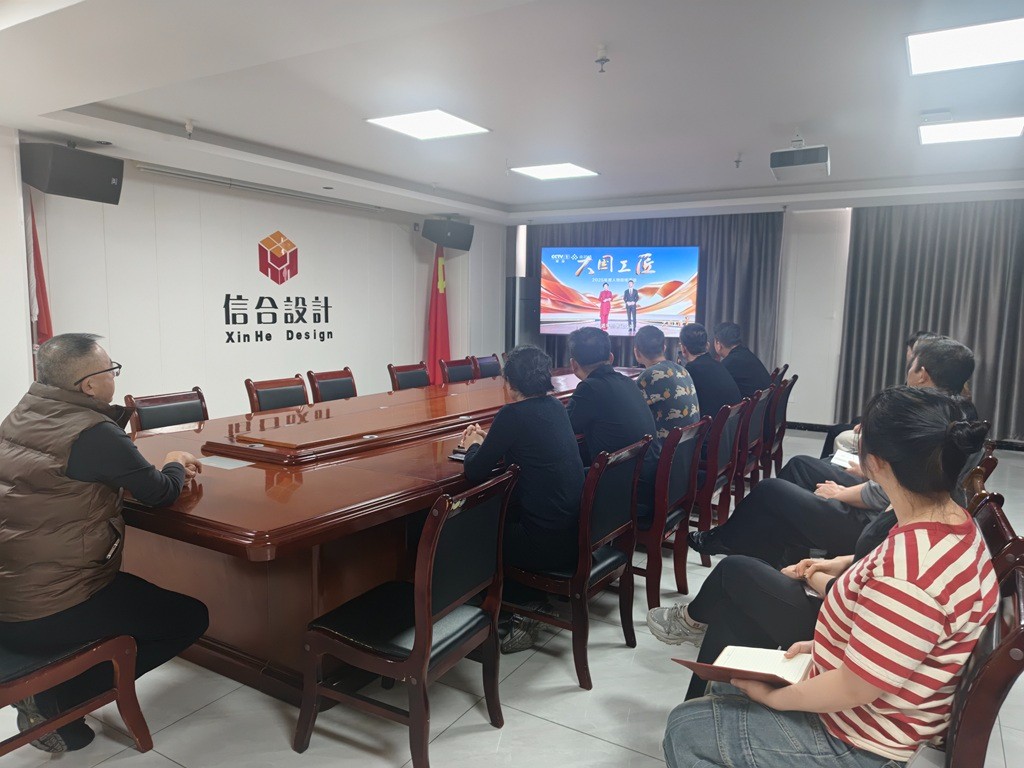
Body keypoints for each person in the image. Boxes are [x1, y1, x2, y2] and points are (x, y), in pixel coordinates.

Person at [662, 386, 997, 768]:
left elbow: (855, 688)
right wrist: (826, 648)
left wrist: (776, 699)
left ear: (875, 463)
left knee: (686, 729)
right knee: (727, 673)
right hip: (880, 706)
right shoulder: (951, 523)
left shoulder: (908, 574)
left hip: (862, 742)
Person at [0, 333, 209, 753]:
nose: (115, 376)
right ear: (90, 385)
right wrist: (173, 461)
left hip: (11, 593)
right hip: (54, 605)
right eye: (111, 370)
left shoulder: (23, 413)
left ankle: (53, 691)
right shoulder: (93, 432)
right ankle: (57, 699)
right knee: (189, 617)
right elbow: (160, 492)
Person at [460, 345, 585, 653]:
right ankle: (521, 600)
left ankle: (520, 607)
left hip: (544, 546)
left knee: (470, 532)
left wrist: (474, 443)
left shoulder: (512, 414)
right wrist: (492, 441)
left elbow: (475, 471)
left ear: (509, 383)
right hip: (575, 536)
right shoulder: (555, 406)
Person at [782, 336, 977, 490]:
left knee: (795, 468)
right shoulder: (962, 413)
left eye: (912, 365)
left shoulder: (922, 417)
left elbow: (896, 489)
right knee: (821, 462)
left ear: (922, 374)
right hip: (887, 493)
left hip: (879, 506)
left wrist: (849, 488)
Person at [565, 327, 660, 523]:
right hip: (645, 486)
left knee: (556, 477)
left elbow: (565, 429)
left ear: (573, 364)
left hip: (623, 495)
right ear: (611, 357)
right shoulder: (627, 382)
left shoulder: (589, 388)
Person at [822, 330, 940, 457]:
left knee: (838, 433)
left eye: (912, 350)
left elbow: (904, 418)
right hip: (897, 427)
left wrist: (871, 426)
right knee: (856, 421)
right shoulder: (931, 382)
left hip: (897, 435)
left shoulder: (921, 382)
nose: (909, 354)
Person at [633, 325, 700, 439]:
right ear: (664, 348)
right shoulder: (682, 370)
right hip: (689, 445)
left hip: (666, 448)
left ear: (637, 352)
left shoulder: (647, 377)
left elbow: (632, 415)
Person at [678, 323, 741, 420]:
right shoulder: (717, 364)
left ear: (683, 348)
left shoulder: (691, 370)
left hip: (713, 426)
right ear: (707, 345)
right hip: (731, 424)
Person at [712, 321, 771, 399]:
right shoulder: (746, 353)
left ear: (718, 343)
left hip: (751, 405)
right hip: (763, 403)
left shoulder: (729, 364)